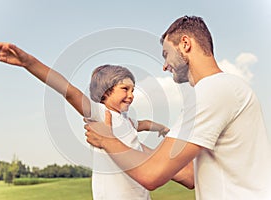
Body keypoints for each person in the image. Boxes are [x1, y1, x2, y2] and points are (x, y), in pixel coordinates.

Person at [84, 15, 271, 199]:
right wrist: (130, 142)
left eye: (166, 54)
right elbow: (189, 175)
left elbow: (151, 175)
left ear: (185, 44)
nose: (165, 66)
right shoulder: (224, 88)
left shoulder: (212, 90)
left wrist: (107, 140)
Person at [0, 41, 170, 199]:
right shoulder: (99, 113)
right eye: (125, 89)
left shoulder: (127, 121)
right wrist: (29, 62)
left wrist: (160, 128)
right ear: (105, 91)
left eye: (133, 90)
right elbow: (68, 91)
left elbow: (143, 124)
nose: (131, 95)